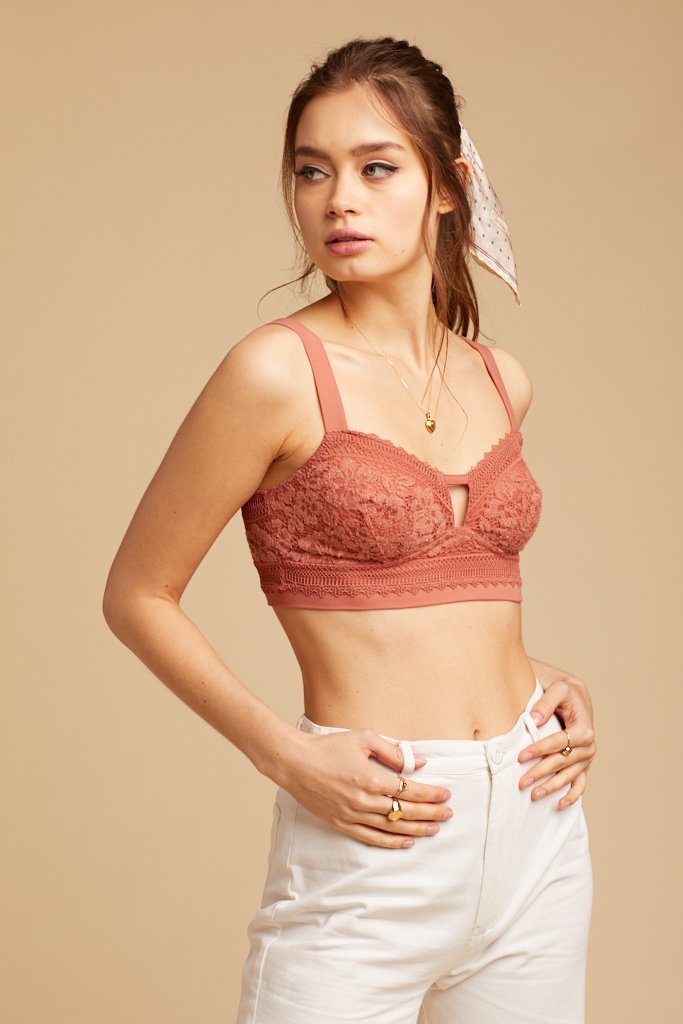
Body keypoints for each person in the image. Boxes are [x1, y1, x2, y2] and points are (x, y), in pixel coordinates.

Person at [102, 35, 597, 1024]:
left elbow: (449, 595)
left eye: (376, 168)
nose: (339, 201)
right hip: (373, 836)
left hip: (537, 827)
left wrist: (541, 676)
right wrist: (284, 755)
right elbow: (136, 594)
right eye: (311, 171)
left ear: (447, 186)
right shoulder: (274, 372)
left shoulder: (499, 378)